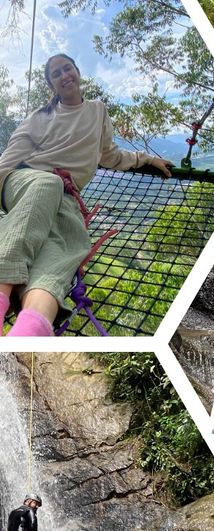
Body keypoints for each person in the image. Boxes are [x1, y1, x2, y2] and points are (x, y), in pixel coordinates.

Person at [0, 54, 172, 337]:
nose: (64, 75)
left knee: (69, 243)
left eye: (67, 68)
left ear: (77, 71)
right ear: (51, 85)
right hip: (24, 182)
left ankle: (30, 328)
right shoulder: (40, 118)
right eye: (56, 74)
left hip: (65, 196)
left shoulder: (97, 110)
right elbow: (10, 158)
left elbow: (109, 154)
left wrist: (147, 160)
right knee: (48, 184)